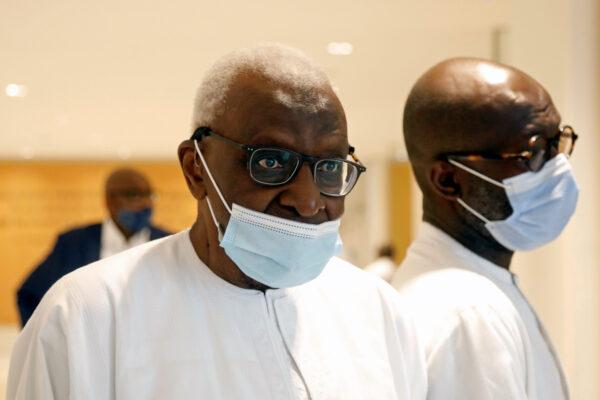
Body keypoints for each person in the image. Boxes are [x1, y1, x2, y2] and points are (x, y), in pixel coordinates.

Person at [7, 45, 426, 399]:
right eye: (271, 161)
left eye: (330, 167)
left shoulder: (378, 312)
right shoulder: (87, 318)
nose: (308, 200)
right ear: (196, 169)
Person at [391, 57, 579, 399]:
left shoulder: (475, 286)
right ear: (448, 180)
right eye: (534, 152)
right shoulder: (467, 314)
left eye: (559, 142)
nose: (558, 167)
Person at [16, 168, 170, 326]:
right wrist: (49, 345)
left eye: (149, 195)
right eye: (133, 195)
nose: (145, 203)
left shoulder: (168, 245)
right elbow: (30, 295)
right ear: (109, 200)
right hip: (90, 347)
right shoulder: (73, 244)